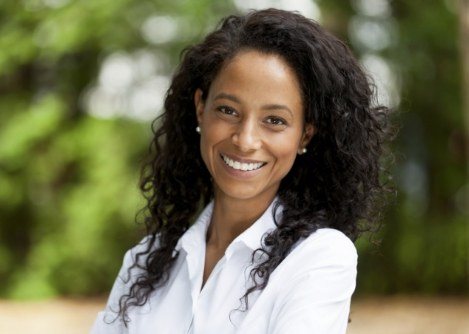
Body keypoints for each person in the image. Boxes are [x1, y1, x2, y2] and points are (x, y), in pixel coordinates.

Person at [91, 8, 390, 334]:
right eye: (228, 110)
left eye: (274, 120)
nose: (245, 140)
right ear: (200, 109)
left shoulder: (318, 258)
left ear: (305, 133)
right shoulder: (144, 262)